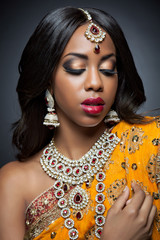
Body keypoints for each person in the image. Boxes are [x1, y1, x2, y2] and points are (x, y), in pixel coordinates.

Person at [0, 6, 159, 240]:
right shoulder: (13, 182)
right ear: (48, 80)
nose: (95, 83)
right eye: (76, 68)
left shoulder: (151, 142)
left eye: (108, 69)